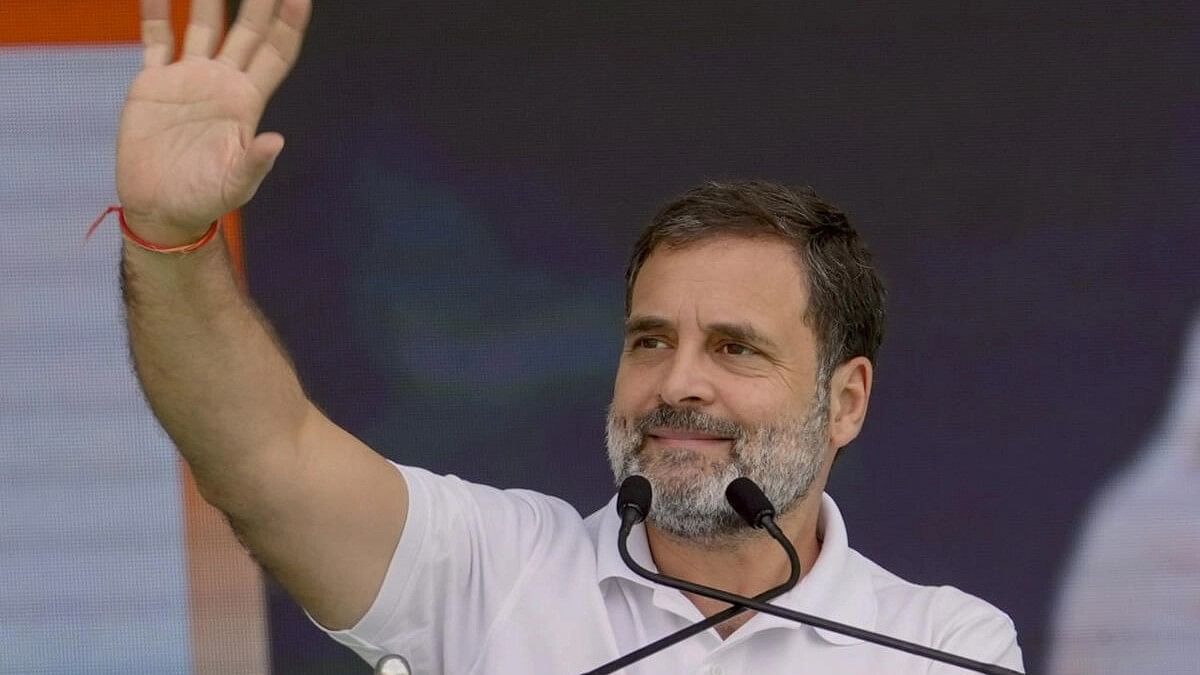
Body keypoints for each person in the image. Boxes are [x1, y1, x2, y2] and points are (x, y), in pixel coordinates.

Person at [116, 0, 1024, 672]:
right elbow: (260, 454)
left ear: (847, 399)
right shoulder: (489, 569)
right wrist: (167, 239)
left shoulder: (946, 644)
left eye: (735, 347)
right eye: (650, 341)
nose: (679, 384)